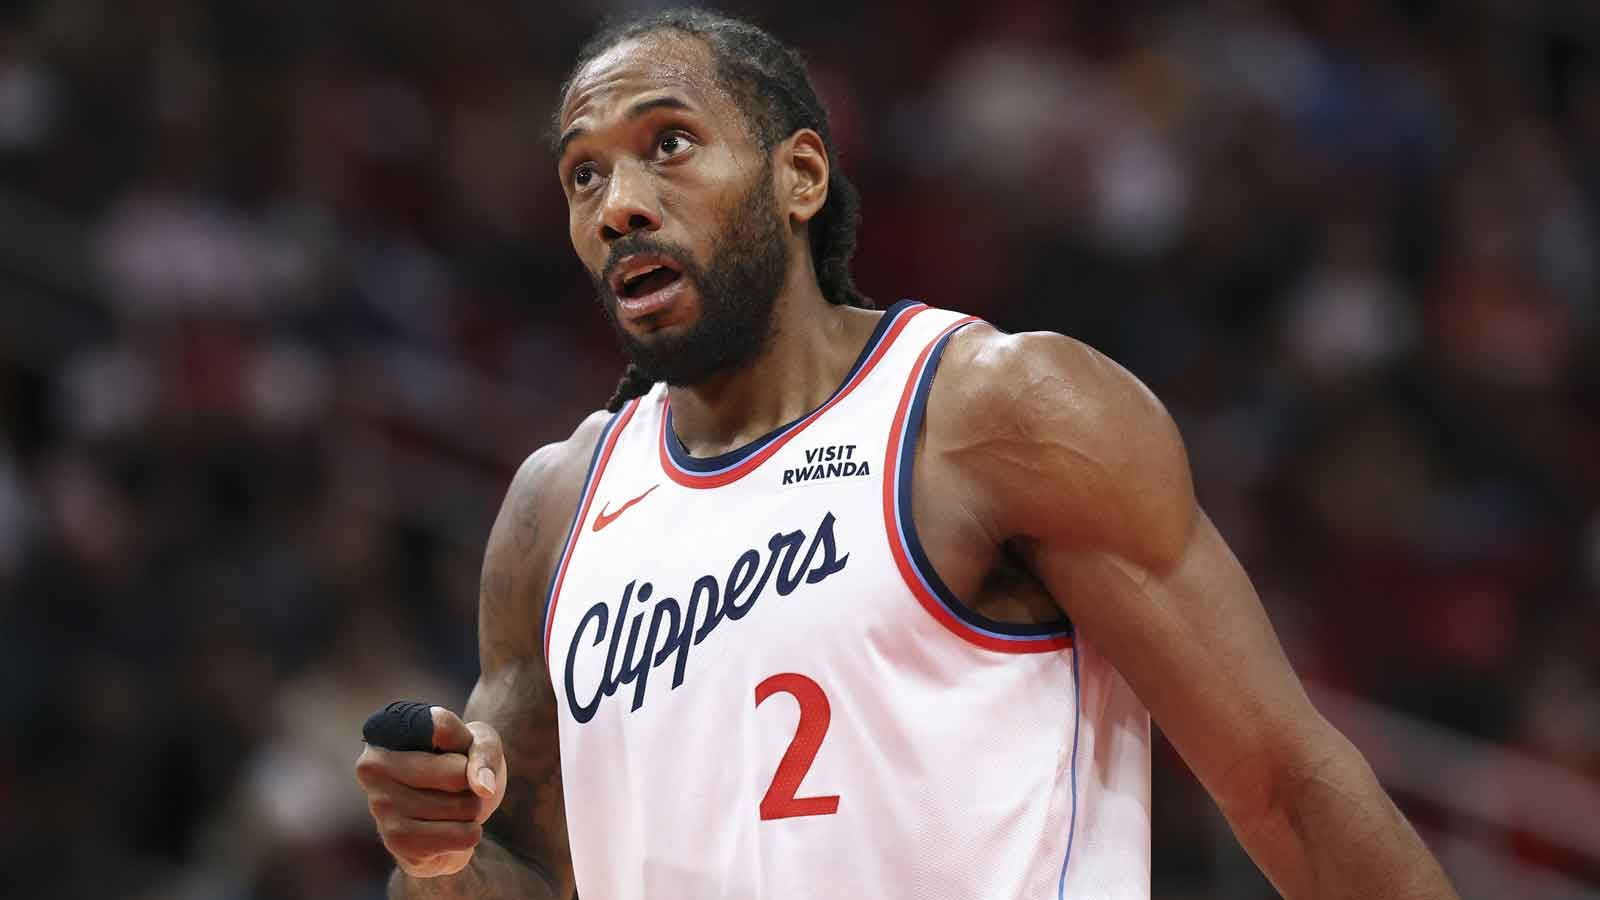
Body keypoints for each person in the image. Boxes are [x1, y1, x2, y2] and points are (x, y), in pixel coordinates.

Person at [354, 10, 1460, 899]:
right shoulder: (556, 508)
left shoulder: (994, 414)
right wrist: (434, 850)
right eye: (582, 176)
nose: (619, 206)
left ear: (800, 177)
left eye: (668, 145)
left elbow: (1284, 785)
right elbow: (515, 872)